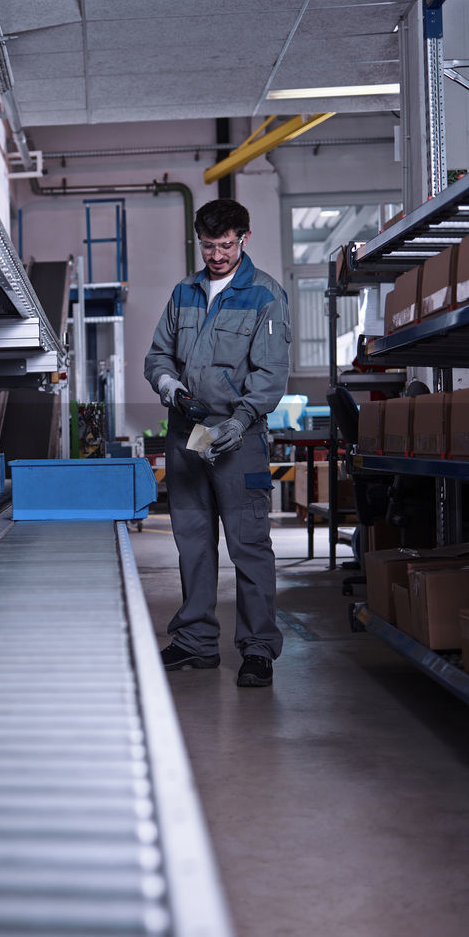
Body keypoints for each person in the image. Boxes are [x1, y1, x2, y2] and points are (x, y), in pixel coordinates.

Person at [144, 199, 292, 687]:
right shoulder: (185, 292)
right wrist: (171, 389)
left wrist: (242, 420)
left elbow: (271, 375)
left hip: (239, 438)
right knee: (192, 543)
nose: (216, 255)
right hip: (186, 434)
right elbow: (158, 356)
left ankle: (256, 650)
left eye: (225, 245)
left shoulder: (265, 295)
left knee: (249, 546)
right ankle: (195, 642)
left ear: (243, 238)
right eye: (208, 245)